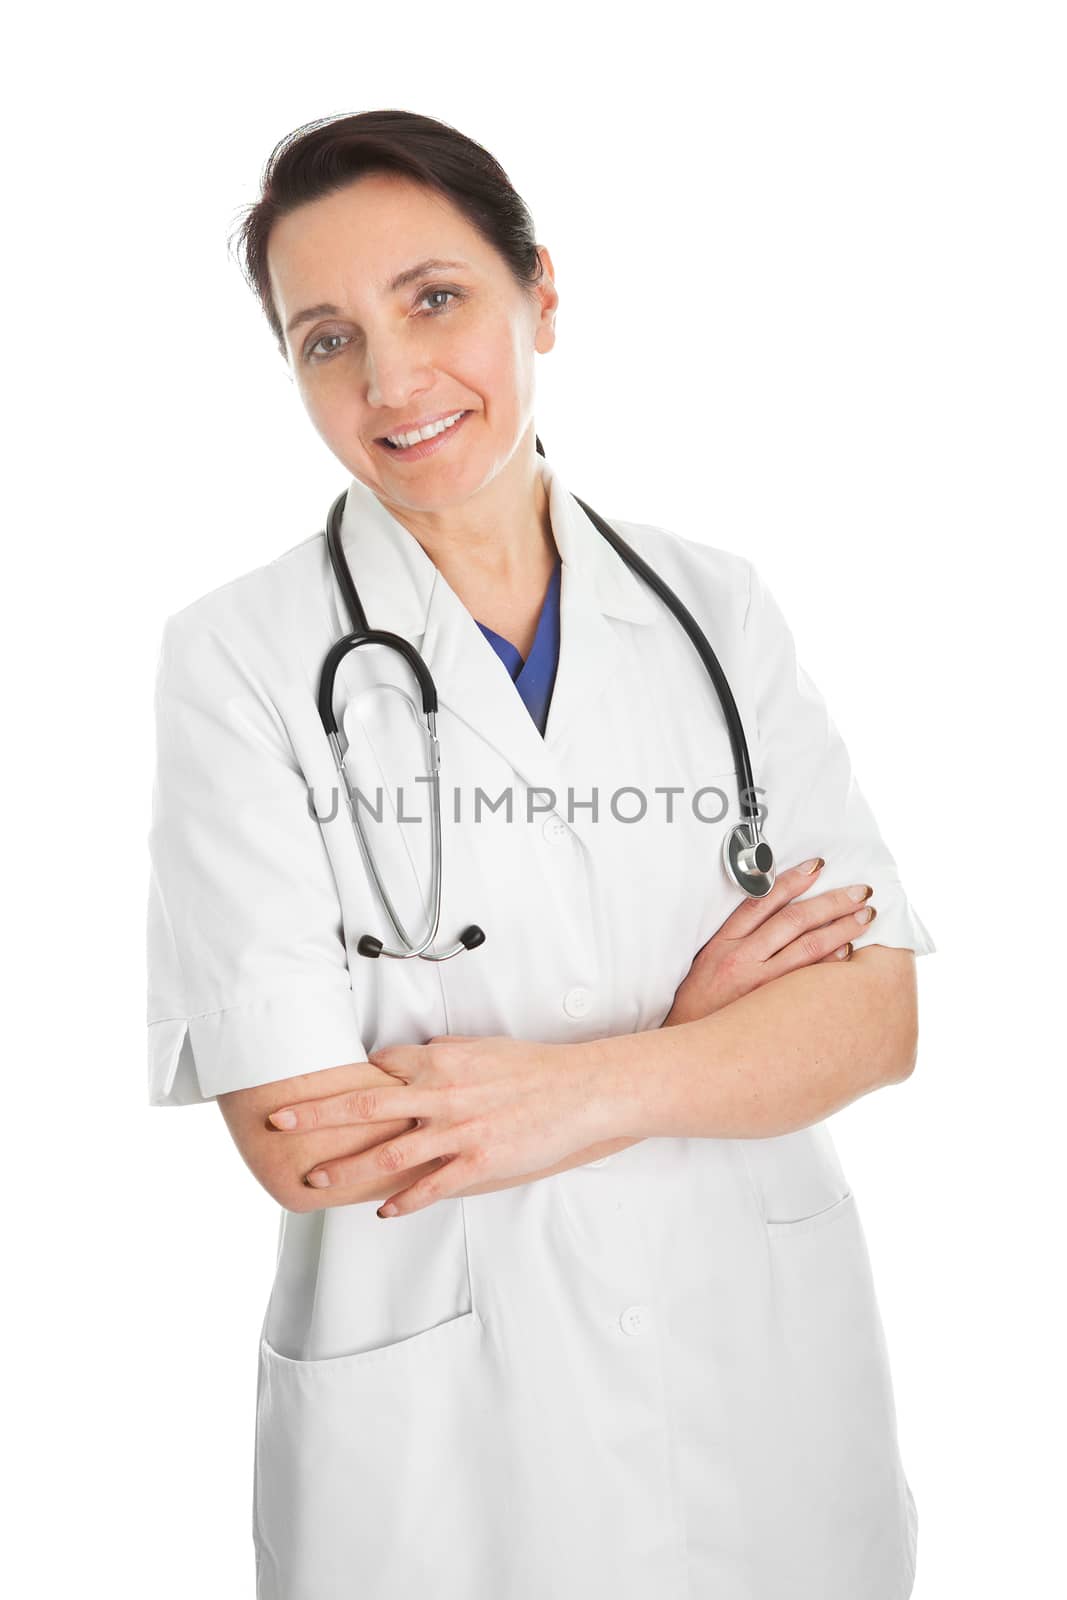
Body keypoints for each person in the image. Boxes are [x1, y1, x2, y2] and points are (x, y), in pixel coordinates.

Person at [146, 109, 936, 1600]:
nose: (389, 378)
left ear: (542, 298)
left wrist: (564, 1087)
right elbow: (301, 1142)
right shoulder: (241, 660)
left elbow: (876, 1018)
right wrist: (705, 1046)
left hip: (760, 1411)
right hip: (445, 1454)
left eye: (433, 299)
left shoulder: (717, 611)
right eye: (326, 338)